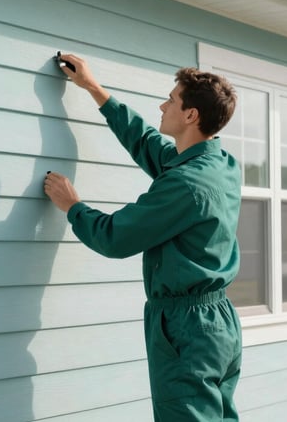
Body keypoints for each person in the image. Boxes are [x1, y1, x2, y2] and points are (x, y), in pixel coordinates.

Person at [44, 53, 242, 421]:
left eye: (172, 99)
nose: (162, 104)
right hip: (218, 322)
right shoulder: (220, 165)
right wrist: (94, 89)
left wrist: (73, 206)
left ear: (190, 116)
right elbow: (148, 143)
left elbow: (115, 238)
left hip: (186, 327)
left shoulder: (186, 183)